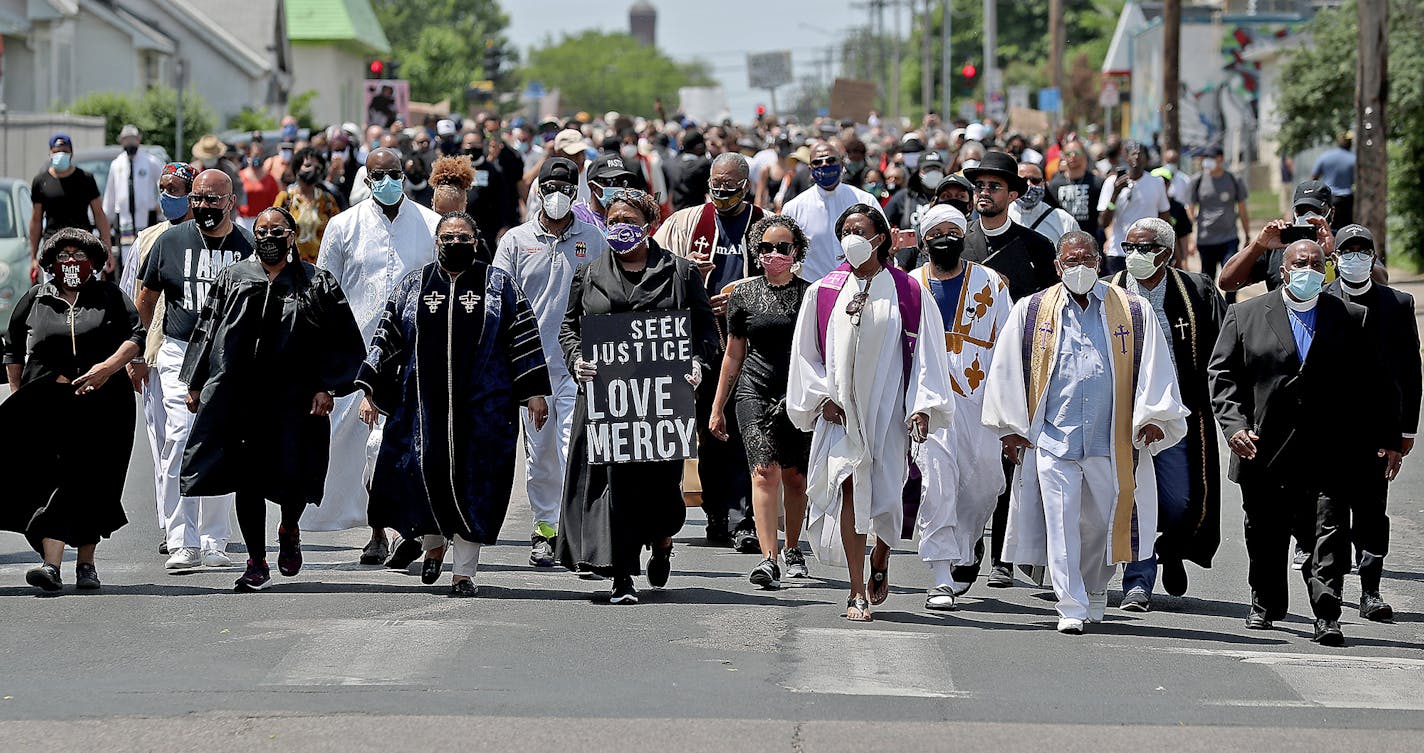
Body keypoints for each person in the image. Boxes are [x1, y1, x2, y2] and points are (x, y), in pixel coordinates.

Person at [982, 231, 1187, 634]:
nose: (1080, 268)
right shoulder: (1033, 310)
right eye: (1071, 261)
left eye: (1087, 260)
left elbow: (1153, 369)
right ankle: (1070, 603)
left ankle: (1095, 588)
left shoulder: (1132, 310)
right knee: (1061, 523)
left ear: (1099, 263)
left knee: (1100, 524)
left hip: (1110, 442)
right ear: (1058, 266)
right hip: (1054, 440)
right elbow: (1006, 370)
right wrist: (1010, 427)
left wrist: (1151, 416)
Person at [1208, 240, 1397, 647]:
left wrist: (1390, 438)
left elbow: (1378, 384)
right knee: (1265, 533)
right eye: (1300, 263)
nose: (1308, 269)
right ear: (1283, 270)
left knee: (1328, 533)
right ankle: (1265, 602)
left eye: (1316, 263)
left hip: (1330, 451)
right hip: (1263, 449)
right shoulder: (1245, 315)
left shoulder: (1351, 317)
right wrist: (1234, 426)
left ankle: (1327, 614)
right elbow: (1221, 377)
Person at [361, 212, 551, 596]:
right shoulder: (414, 286)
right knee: (422, 478)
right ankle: (433, 545)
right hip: (421, 410)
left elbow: (524, 339)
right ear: (436, 242)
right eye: (448, 238)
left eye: (463, 237)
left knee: (473, 487)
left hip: (482, 412)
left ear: (476, 241)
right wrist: (372, 392)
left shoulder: (499, 286)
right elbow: (388, 338)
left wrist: (533, 392)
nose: (455, 244)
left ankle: (464, 573)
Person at [179, 207, 366, 591]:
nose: (268, 236)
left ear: (292, 236)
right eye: (261, 230)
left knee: (295, 479)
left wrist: (327, 387)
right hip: (243, 397)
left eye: (276, 230)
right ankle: (255, 561)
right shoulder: (234, 277)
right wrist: (196, 383)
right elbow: (208, 330)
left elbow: (343, 338)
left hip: (297, 400)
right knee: (247, 480)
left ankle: (289, 527)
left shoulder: (317, 282)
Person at [785, 204, 953, 621]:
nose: (851, 238)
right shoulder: (823, 291)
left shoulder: (909, 292)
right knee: (849, 490)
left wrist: (922, 407)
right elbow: (806, 354)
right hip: (840, 413)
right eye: (845, 231)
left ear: (881, 237)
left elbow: (929, 354)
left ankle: (882, 554)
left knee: (886, 498)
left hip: (888, 411)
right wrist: (821, 397)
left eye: (859, 230)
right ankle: (856, 590)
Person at [556, 189, 719, 604]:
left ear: (649, 226)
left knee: (661, 488)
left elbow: (705, 333)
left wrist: (696, 363)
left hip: (662, 403)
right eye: (612, 221)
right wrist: (577, 361)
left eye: (629, 221)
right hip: (606, 401)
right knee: (614, 486)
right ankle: (621, 576)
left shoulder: (680, 273)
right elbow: (569, 329)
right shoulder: (590, 273)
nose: (619, 228)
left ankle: (662, 540)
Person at [316, 147, 441, 561]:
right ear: (366, 180)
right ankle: (376, 529)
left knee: (408, 445)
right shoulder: (342, 226)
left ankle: (410, 526)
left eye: (394, 173)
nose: (387, 182)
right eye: (378, 176)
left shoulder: (431, 224)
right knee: (358, 448)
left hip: (416, 354)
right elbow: (323, 293)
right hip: (358, 355)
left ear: (404, 175)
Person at [1, 229, 143, 593]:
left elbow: (136, 336)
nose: (70, 262)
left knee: (95, 480)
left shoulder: (110, 296)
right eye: (62, 255)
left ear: (93, 262)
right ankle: (51, 565)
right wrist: (19, 395)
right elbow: (13, 347)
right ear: (50, 263)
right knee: (54, 481)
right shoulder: (36, 298)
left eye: (78, 254)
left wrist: (107, 368)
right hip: (48, 407)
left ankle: (86, 564)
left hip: (104, 408)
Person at [493, 157, 609, 567]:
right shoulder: (515, 241)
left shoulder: (594, 241)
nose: (557, 194)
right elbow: (500, 303)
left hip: (580, 365)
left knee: (574, 449)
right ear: (538, 190)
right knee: (540, 454)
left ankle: (577, 534)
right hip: (532, 367)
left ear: (575, 191)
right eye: (550, 186)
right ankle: (545, 530)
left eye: (565, 185)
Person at [1105, 218, 1226, 611]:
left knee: (1181, 502)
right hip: (1123, 415)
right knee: (1133, 498)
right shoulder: (1109, 291)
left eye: (1145, 248)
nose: (1135, 256)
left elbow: (1224, 350)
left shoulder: (1196, 290)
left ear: (1168, 254)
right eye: (1129, 247)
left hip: (1179, 415)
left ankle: (1169, 549)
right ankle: (1137, 582)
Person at [138, 169, 252, 570]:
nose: (204, 206)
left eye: (213, 200)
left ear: (231, 201)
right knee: (181, 437)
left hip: (228, 356)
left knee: (220, 442)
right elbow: (145, 298)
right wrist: (144, 350)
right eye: (198, 199)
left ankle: (214, 540)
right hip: (178, 350)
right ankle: (180, 539)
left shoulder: (247, 246)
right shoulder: (170, 241)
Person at [655, 152, 765, 548]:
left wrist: (745, 292)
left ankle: (741, 519)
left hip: (748, 346)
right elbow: (649, 269)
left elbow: (790, 277)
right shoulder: (685, 223)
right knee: (706, 429)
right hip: (698, 343)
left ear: (745, 187)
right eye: (715, 190)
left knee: (739, 432)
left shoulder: (764, 226)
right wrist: (686, 274)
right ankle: (717, 514)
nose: (721, 197)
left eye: (729, 191)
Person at [907, 204, 1012, 608]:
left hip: (981, 399)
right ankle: (939, 575)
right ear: (924, 239)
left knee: (986, 484)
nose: (946, 238)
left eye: (954, 231)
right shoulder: (912, 286)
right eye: (937, 232)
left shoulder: (991, 283)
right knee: (935, 484)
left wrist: (1010, 406)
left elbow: (1008, 342)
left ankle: (967, 545)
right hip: (930, 401)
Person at [708, 215, 814, 587]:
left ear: (796, 251)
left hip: (797, 393)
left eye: (781, 248)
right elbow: (733, 354)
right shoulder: (742, 294)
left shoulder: (811, 295)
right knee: (763, 471)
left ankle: (793, 545)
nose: (773, 254)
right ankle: (769, 557)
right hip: (753, 388)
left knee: (795, 477)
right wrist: (717, 406)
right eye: (766, 247)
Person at [1324, 224, 1419, 621]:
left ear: (1374, 258)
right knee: (1328, 515)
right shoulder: (1322, 299)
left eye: (1364, 251)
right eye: (1349, 251)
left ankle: (1371, 590)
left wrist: (1404, 434)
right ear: (1337, 258)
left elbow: (1410, 372)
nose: (1356, 257)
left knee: (1371, 514)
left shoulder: (1396, 304)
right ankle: (1329, 591)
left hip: (1377, 431)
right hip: (1328, 430)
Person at [121, 163, 197, 554]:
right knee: (165, 443)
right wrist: (132, 357)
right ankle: (173, 528)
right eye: (163, 189)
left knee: (196, 441)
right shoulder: (147, 240)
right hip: (155, 354)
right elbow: (131, 303)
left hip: (203, 355)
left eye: (176, 189)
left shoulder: (210, 238)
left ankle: (202, 529)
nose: (168, 196)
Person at [961, 151, 1058, 305]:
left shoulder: (1038, 246)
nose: (984, 192)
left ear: (1012, 195)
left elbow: (1049, 301)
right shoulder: (960, 238)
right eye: (979, 186)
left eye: (994, 187)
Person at [783, 142, 883, 282]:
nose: (824, 164)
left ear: (842, 164)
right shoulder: (794, 208)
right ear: (810, 168)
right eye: (818, 162)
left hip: (861, 287)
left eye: (830, 160)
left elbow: (884, 245)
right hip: (814, 290)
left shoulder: (865, 200)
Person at [30, 133, 113, 281]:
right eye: (56, 151)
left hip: (82, 246)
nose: (60, 154)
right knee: (54, 295)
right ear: (50, 153)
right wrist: (33, 257)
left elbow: (99, 214)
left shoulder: (85, 179)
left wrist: (108, 252)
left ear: (71, 153)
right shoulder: (40, 181)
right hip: (53, 248)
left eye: (64, 151)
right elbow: (36, 220)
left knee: (87, 295)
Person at [1097, 141, 1170, 275]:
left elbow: (1165, 218)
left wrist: (1167, 248)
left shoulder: (1157, 182)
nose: (1136, 156)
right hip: (1120, 252)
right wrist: (1115, 194)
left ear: (1146, 158)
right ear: (1124, 157)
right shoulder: (1111, 183)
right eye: (1132, 152)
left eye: (1140, 153)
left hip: (1148, 252)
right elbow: (1103, 222)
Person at [1186, 145, 1250, 290]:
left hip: (1229, 238)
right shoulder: (1198, 180)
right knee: (1207, 280)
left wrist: (1247, 234)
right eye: (1205, 158)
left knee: (1232, 276)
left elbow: (1242, 210)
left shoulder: (1234, 179)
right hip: (1206, 239)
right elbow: (1190, 208)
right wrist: (1191, 237)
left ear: (1220, 158)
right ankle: (1210, 310)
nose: (1206, 162)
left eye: (1210, 158)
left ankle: (1231, 308)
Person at [104, 124, 164, 274]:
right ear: (121, 142)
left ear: (138, 140)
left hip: (146, 216)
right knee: (125, 259)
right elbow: (110, 193)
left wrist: (160, 205)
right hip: (123, 219)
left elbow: (166, 180)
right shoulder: (117, 164)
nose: (130, 143)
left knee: (146, 255)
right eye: (126, 140)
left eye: (133, 139)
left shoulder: (150, 161)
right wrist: (107, 219)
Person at [274, 149, 343, 263]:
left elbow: (338, 232)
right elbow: (273, 229)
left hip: (320, 266)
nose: (313, 170)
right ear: (297, 168)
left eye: (317, 167)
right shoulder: (286, 199)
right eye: (308, 165)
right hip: (291, 265)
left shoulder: (327, 200)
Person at [1008, 161, 1079, 247]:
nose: (1029, 185)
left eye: (1035, 181)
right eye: (1022, 180)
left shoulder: (1064, 220)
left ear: (1044, 183)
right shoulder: (1000, 215)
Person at [1046, 140, 1104, 241]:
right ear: (1063, 156)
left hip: (1090, 240)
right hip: (1062, 240)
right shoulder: (1054, 184)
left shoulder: (1097, 182)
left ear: (1084, 155)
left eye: (1077, 152)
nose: (1072, 156)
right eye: (1068, 153)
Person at [574, 153, 639, 233]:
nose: (618, 187)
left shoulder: (627, 216)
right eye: (612, 182)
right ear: (593, 186)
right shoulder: (579, 217)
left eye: (622, 182)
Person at [1311, 133, 1356, 229]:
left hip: (1329, 198)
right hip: (1347, 199)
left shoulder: (1326, 156)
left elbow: (1314, 177)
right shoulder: (1353, 159)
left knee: (1328, 226)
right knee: (1346, 229)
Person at [238, 139, 281, 231]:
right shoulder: (240, 176)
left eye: (260, 155)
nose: (258, 157)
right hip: (244, 221)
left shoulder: (270, 178)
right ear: (248, 155)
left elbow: (276, 202)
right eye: (255, 155)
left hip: (264, 221)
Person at [664, 130, 712, 211]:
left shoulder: (671, 163)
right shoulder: (703, 164)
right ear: (699, 147)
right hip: (696, 213)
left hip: (675, 213)